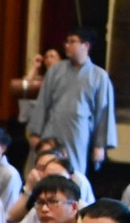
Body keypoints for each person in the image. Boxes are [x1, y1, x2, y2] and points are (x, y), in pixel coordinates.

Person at [32, 26, 117, 172]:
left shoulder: (99, 76)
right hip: (52, 128)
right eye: (66, 42)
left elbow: (103, 113)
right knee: (44, 166)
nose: (67, 45)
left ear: (86, 45)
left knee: (74, 171)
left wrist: (99, 145)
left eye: (72, 42)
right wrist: (36, 132)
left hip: (78, 131)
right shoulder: (55, 70)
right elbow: (43, 103)